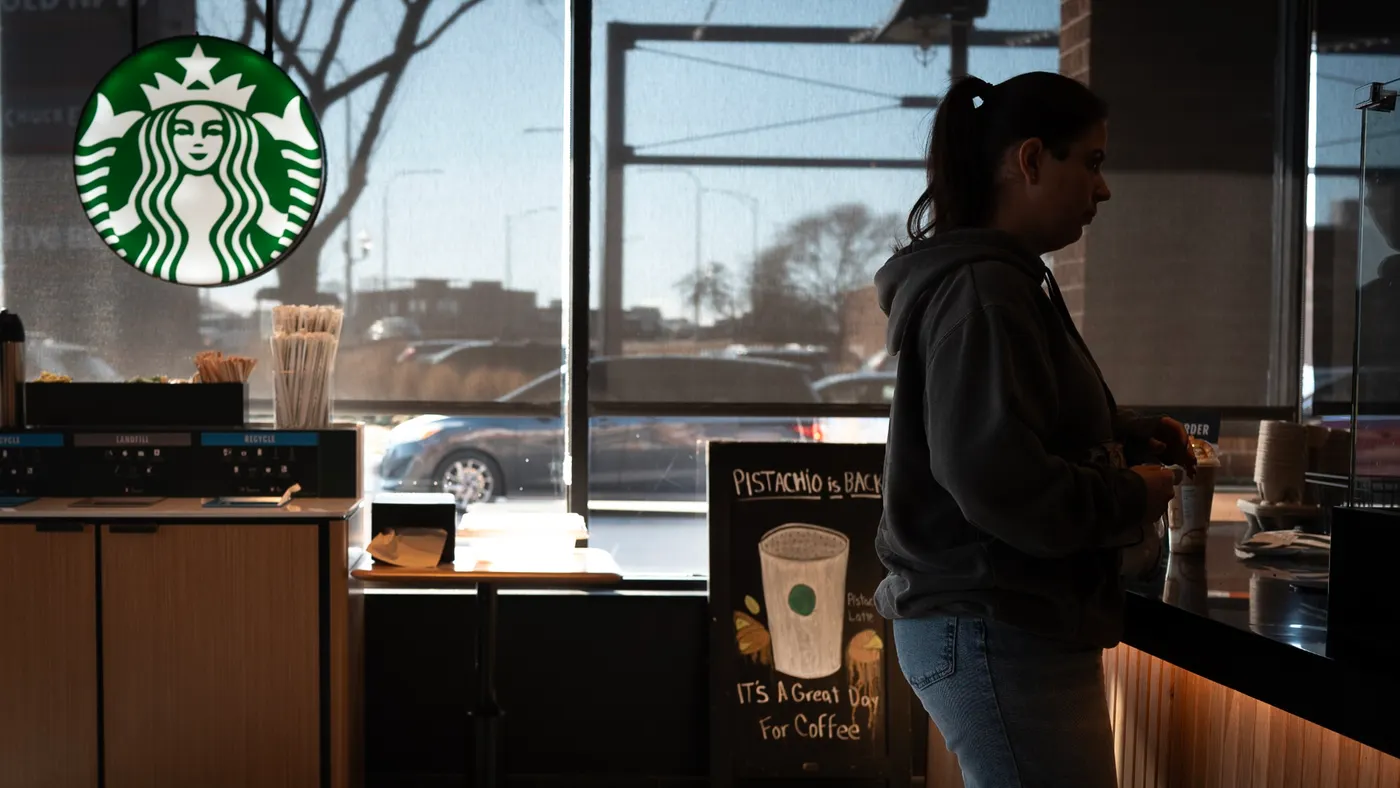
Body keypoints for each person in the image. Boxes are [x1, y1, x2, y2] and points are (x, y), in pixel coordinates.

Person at [873, 71, 1196, 787]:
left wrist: (1126, 438)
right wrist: (1131, 495)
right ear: (1030, 160)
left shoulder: (1004, 282)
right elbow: (997, 479)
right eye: (1092, 162)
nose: (1103, 190)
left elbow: (1015, 428)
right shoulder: (986, 290)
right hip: (995, 623)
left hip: (994, 622)